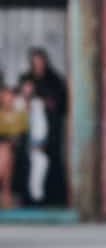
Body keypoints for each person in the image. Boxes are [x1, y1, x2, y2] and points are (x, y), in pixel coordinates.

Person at [27, 48, 68, 205]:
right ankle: (32, 198)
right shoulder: (27, 78)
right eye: (35, 62)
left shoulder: (54, 79)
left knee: (50, 160)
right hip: (32, 127)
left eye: (40, 61)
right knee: (32, 162)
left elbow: (61, 103)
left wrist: (46, 102)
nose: (37, 64)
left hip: (51, 127)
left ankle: (54, 197)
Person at [0, 83, 28, 209]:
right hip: (3, 147)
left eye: (10, 96)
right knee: (4, 151)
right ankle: (6, 193)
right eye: (5, 96)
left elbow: (24, 134)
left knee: (6, 152)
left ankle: (6, 193)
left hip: (17, 148)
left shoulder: (20, 114)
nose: (8, 99)